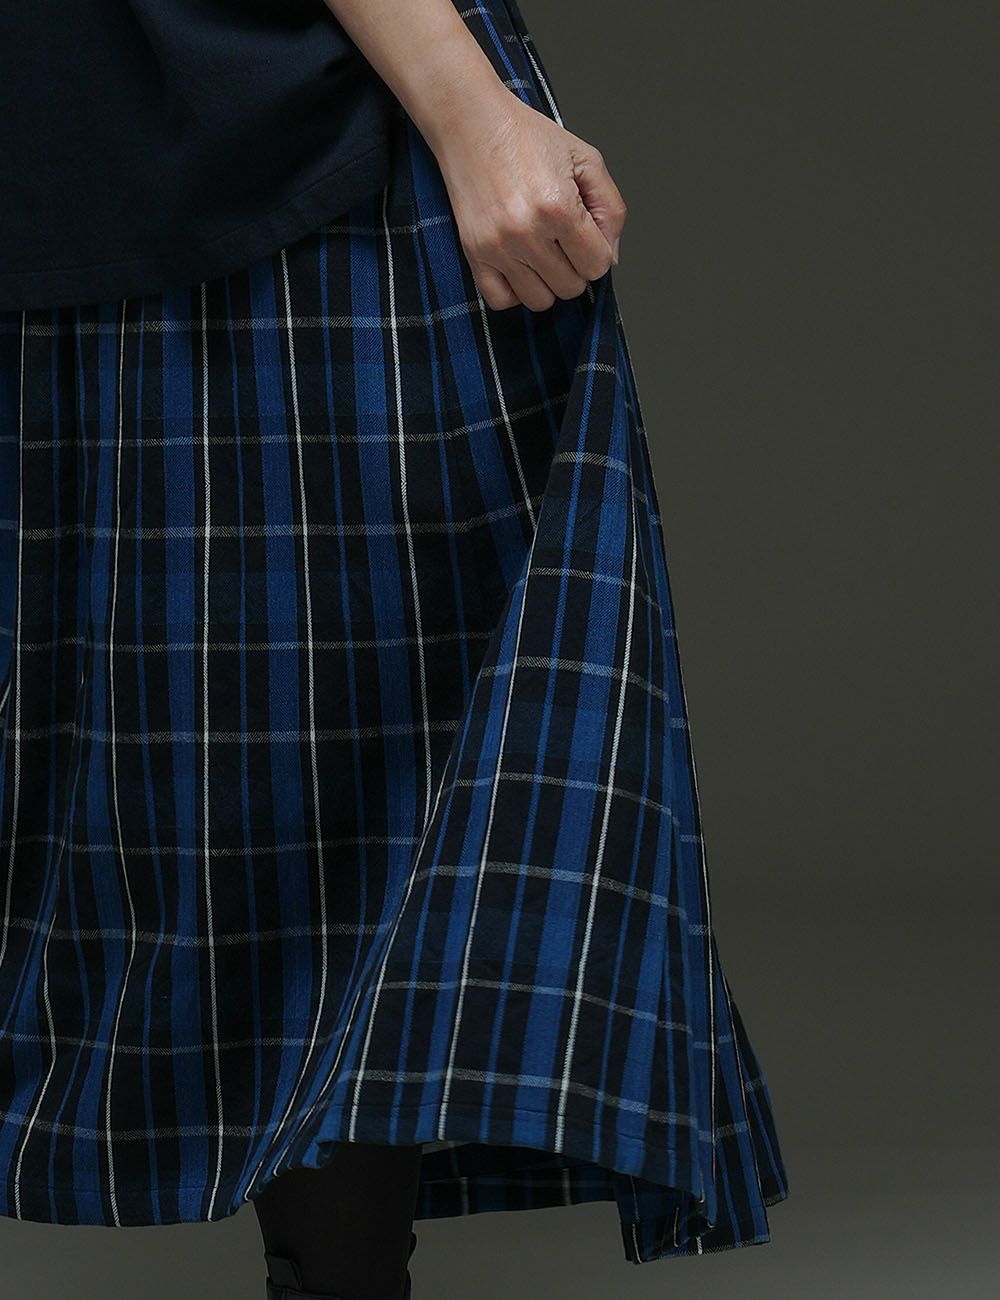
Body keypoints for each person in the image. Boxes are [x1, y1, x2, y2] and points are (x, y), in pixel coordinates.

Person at [0, 3, 789, 1299]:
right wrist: (471, 111)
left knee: (321, 782)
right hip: (279, 136)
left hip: (167, 126)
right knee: (359, 778)